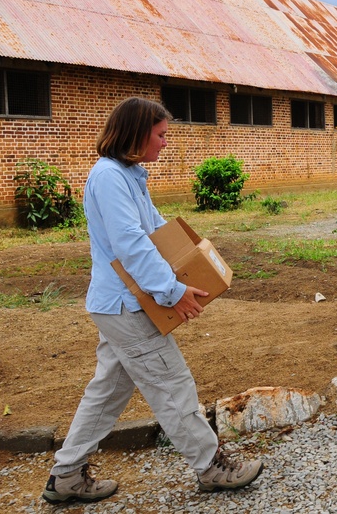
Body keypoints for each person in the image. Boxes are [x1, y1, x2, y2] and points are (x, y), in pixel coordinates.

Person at [42, 97, 263, 505]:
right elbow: (132, 245)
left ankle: (67, 474)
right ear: (138, 133)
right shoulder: (109, 177)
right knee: (171, 383)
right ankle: (212, 466)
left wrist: (194, 257)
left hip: (119, 305)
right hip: (127, 307)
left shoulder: (129, 174)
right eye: (160, 135)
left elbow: (157, 229)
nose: (165, 143)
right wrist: (173, 290)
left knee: (108, 390)